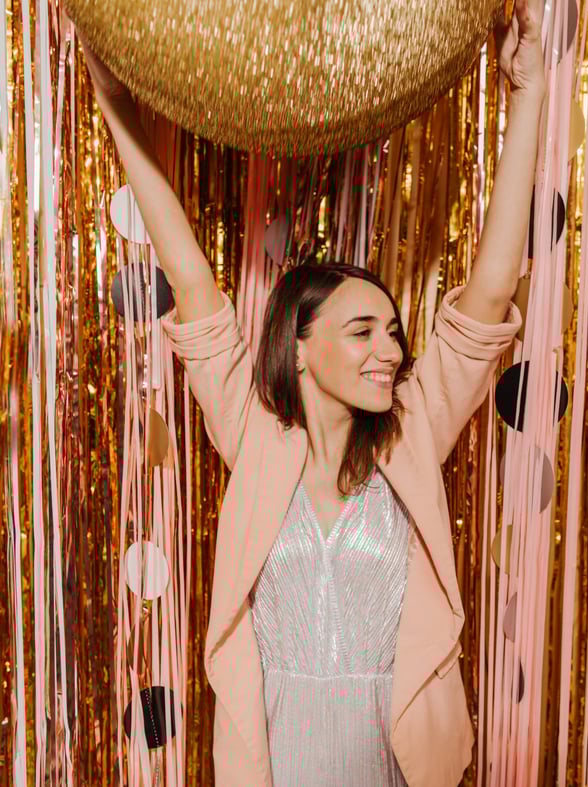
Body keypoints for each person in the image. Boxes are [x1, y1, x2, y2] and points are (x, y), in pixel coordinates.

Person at [76, 0, 544, 783]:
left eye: (393, 332)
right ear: (299, 347)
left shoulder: (414, 430)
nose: (389, 350)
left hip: (396, 767)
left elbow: (491, 291)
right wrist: (114, 102)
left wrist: (527, 94)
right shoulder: (253, 432)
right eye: (363, 331)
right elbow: (188, 271)